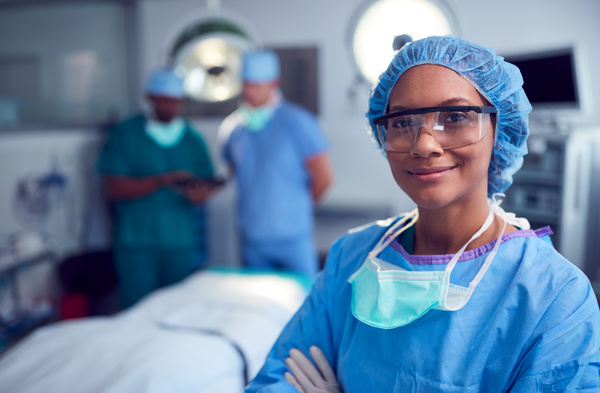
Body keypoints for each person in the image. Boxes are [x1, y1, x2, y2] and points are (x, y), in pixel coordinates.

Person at [244, 36, 600, 392]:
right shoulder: (350, 259)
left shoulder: (556, 297)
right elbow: (278, 379)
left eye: (456, 116)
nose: (424, 144)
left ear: (499, 129)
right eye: (402, 122)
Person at [97, 68, 219, 309]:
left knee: (177, 311)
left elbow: (205, 185)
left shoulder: (192, 140)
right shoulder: (126, 134)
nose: (170, 106)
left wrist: (198, 195)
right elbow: (113, 188)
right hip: (136, 244)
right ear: (150, 98)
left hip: (179, 242)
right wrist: (162, 180)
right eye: (163, 100)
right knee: (135, 312)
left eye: (175, 101)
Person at [220, 50, 333, 277]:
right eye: (246, 84)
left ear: (274, 83)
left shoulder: (298, 122)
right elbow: (233, 173)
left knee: (303, 302)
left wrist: (294, 207)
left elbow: (324, 179)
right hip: (252, 239)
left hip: (293, 238)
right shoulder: (234, 128)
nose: (249, 91)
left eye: (257, 85)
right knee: (257, 306)